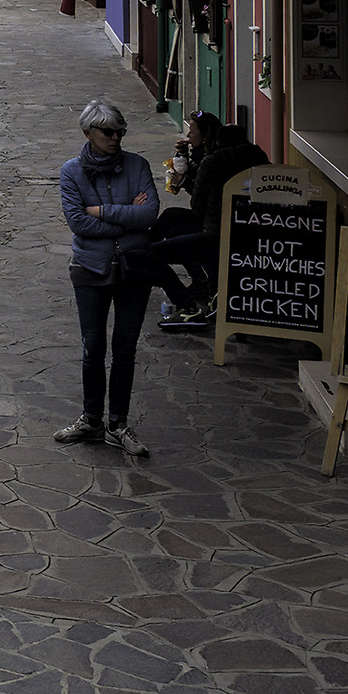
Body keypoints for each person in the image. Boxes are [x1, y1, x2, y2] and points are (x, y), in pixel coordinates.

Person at [58, 100, 160, 455]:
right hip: (90, 268)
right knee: (93, 348)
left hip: (134, 267)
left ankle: (118, 421)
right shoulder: (71, 172)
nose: (116, 137)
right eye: (108, 132)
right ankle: (91, 418)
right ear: (88, 133)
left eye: (120, 132)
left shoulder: (138, 165)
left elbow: (148, 215)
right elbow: (77, 223)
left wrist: (101, 211)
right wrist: (127, 214)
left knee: (126, 349)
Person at [140, 112, 270, 328]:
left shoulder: (214, 161)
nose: (189, 135)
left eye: (192, 131)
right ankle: (201, 284)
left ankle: (189, 306)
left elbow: (197, 205)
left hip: (216, 233)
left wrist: (184, 181)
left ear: (214, 138)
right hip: (252, 231)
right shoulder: (258, 156)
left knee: (156, 250)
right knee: (172, 216)